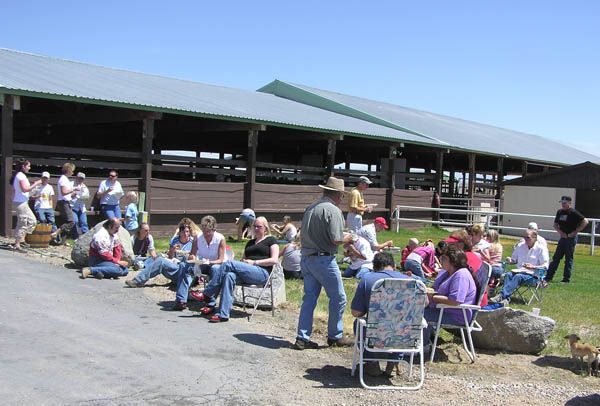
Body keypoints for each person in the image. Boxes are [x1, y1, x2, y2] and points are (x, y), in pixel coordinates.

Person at [294, 176, 355, 350]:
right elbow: (336, 239)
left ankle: (302, 337)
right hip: (323, 259)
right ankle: (335, 336)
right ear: (339, 195)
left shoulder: (311, 207)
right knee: (339, 297)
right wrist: (350, 237)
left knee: (309, 299)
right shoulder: (333, 211)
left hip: (306, 257)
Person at [192, 216, 279, 323]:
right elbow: (243, 259)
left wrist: (254, 262)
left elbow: (274, 260)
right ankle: (223, 314)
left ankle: (207, 294)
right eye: (254, 226)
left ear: (265, 228)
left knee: (228, 263)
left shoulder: (271, 240)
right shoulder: (250, 243)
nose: (256, 229)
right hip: (247, 272)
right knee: (229, 276)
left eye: (259, 227)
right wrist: (244, 263)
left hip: (261, 273)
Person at [351, 251, 415, 377]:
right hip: (404, 335)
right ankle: (395, 360)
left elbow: (356, 312)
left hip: (377, 333)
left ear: (374, 267)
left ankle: (372, 362)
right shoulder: (411, 281)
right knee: (402, 324)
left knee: (357, 324)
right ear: (394, 266)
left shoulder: (368, 279)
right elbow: (425, 303)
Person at [424, 245, 477, 341]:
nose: (440, 259)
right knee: (416, 308)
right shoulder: (448, 272)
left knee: (418, 315)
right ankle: (427, 337)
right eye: (441, 256)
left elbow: (455, 301)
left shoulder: (461, 276)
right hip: (444, 310)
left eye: (444, 258)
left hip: (456, 315)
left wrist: (433, 297)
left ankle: (424, 345)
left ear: (453, 261)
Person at [125, 223, 194, 294]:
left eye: (187, 232)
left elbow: (195, 259)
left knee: (158, 259)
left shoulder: (193, 242)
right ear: (180, 232)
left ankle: (141, 267)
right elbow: (170, 257)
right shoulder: (175, 240)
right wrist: (172, 250)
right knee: (160, 260)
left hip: (185, 271)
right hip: (175, 267)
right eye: (183, 232)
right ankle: (137, 281)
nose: (185, 234)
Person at [489, 229, 549, 305]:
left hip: (534, 276)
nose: (525, 240)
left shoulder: (541, 249)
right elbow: (514, 260)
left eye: (528, 237)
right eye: (524, 237)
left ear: (535, 238)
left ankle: (501, 296)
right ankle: (506, 299)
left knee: (518, 277)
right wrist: (510, 260)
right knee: (508, 275)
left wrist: (533, 266)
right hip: (520, 271)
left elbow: (545, 265)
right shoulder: (520, 246)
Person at [177, 215, 226, 307]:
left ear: (214, 230)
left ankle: (210, 302)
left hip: (216, 264)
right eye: (204, 231)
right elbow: (192, 253)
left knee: (215, 269)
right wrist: (192, 258)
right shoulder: (198, 237)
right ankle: (181, 300)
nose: (206, 234)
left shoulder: (220, 239)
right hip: (202, 263)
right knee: (184, 266)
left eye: (208, 232)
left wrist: (209, 262)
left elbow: (221, 259)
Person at [546, 196, 588, 284]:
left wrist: (575, 231)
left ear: (569, 203)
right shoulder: (560, 212)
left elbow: (585, 221)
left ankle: (566, 279)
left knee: (568, 259)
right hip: (563, 238)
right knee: (556, 257)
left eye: (565, 203)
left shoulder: (573, 212)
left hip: (571, 238)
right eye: (562, 203)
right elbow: (555, 224)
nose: (563, 204)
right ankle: (548, 277)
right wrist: (560, 232)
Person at [10, 158, 42, 251]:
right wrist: (36, 184)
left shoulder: (18, 175)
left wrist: (33, 196)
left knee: (22, 222)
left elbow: (21, 191)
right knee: (30, 221)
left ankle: (18, 242)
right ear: (23, 166)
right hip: (21, 203)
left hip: (20, 201)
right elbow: (25, 189)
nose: (29, 167)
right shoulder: (21, 176)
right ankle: (18, 243)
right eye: (28, 166)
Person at [50, 162, 78, 245]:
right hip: (63, 203)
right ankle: (56, 233)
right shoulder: (63, 179)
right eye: (72, 171)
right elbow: (64, 192)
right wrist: (73, 189)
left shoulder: (66, 179)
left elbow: (67, 193)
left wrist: (74, 194)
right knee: (71, 221)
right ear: (68, 170)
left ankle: (63, 241)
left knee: (65, 221)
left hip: (66, 201)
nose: (73, 173)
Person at [70, 172, 90, 239]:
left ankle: (86, 238)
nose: (80, 180)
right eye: (79, 178)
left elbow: (87, 197)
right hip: (72, 206)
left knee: (84, 222)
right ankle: (76, 237)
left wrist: (85, 197)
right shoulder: (70, 184)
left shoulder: (85, 187)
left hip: (81, 207)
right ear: (76, 177)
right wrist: (74, 193)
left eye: (82, 179)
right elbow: (65, 195)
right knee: (75, 221)